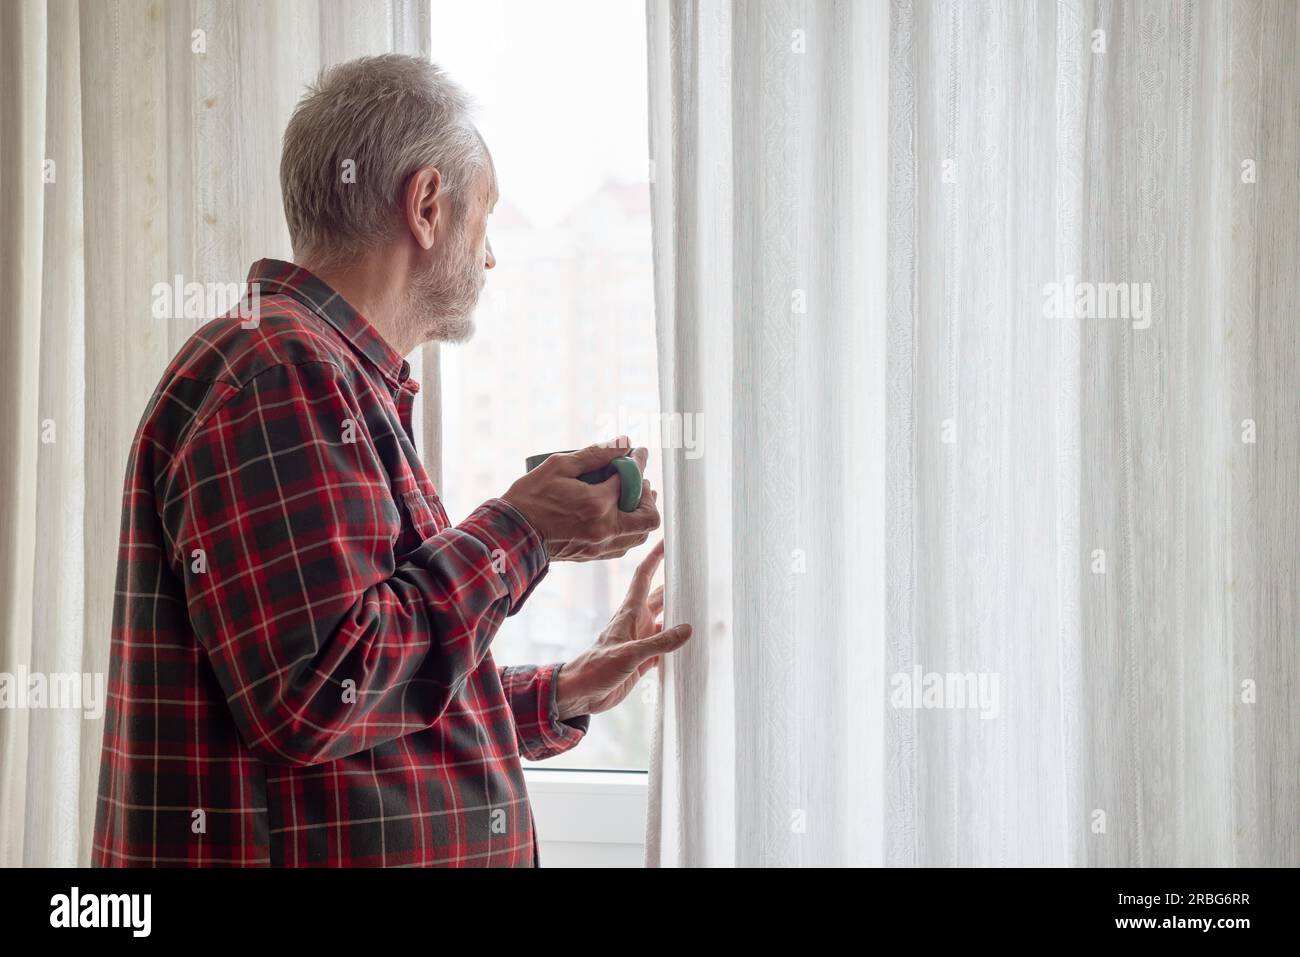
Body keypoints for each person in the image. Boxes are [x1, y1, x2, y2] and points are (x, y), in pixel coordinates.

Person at [92, 54, 692, 867]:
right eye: (485, 220)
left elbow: (370, 707)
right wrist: (522, 530)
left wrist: (565, 689)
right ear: (427, 205)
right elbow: (316, 693)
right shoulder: (278, 370)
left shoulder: (324, 374)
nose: (489, 259)